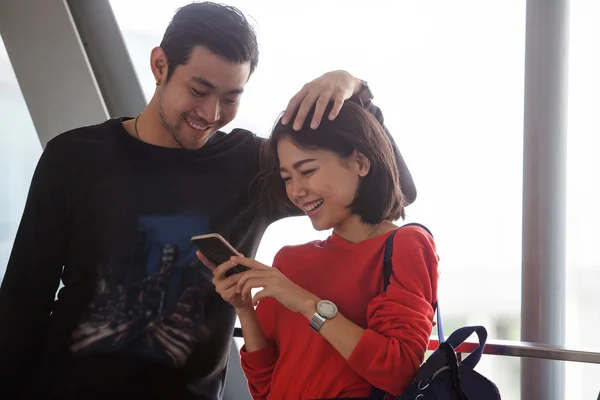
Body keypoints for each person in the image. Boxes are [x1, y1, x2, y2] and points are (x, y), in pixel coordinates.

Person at [0, 2, 416, 400]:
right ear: (160, 65)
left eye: (231, 97)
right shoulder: (74, 157)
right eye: (199, 90)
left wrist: (355, 89)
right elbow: (22, 299)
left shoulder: (252, 166)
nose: (212, 112)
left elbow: (390, 190)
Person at [202, 101, 438, 399]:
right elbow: (265, 387)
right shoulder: (289, 261)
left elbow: (398, 371)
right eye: (287, 177)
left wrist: (304, 302)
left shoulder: (407, 244)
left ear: (361, 163)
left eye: (307, 170)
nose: (296, 191)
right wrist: (244, 309)